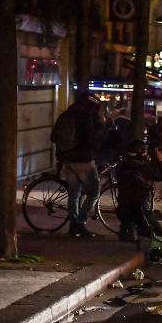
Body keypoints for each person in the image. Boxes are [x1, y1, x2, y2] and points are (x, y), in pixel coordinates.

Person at [53, 93, 104, 238]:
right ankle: (80, 223)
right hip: (82, 159)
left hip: (67, 158)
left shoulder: (69, 112)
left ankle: (73, 226)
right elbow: (90, 138)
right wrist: (98, 146)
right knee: (94, 192)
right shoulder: (86, 116)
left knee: (74, 194)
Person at [115, 139, 162, 242]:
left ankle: (127, 233)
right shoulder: (143, 167)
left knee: (128, 219)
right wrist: (159, 160)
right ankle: (161, 239)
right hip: (141, 206)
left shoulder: (122, 165)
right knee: (153, 227)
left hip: (124, 205)